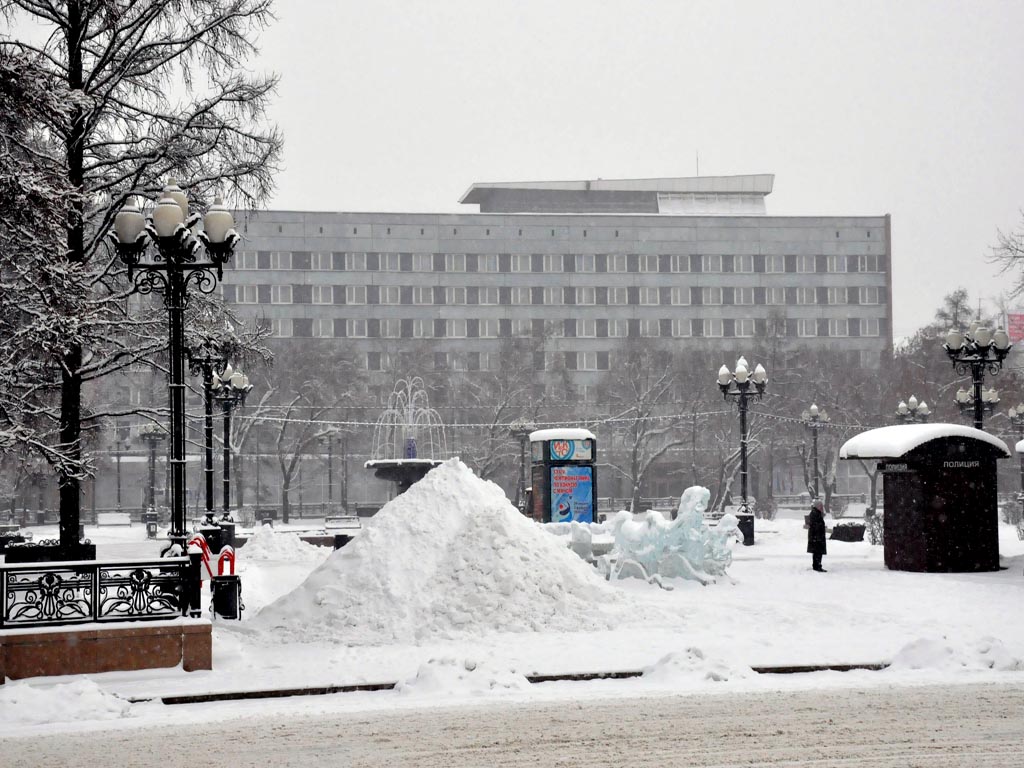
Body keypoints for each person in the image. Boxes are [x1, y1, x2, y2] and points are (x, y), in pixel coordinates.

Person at [807, 499, 827, 572]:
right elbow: (816, 525)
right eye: (820, 506)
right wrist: (818, 536)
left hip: (816, 536)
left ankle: (816, 565)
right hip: (817, 537)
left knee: (817, 552)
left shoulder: (816, 512)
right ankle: (817, 566)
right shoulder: (815, 513)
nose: (822, 507)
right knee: (817, 552)